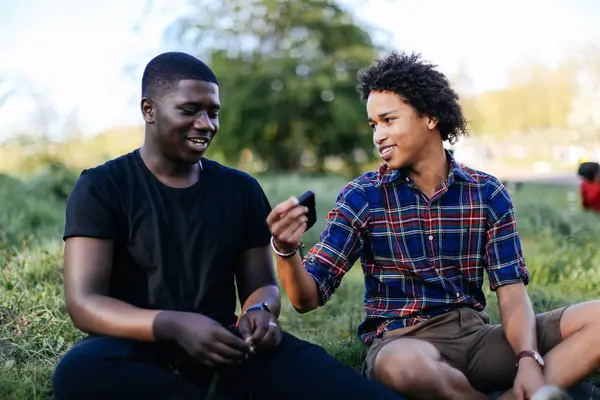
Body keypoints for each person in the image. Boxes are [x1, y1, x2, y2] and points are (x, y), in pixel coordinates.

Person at [51, 51, 404, 400]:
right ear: (149, 111)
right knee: (78, 373)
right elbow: (85, 303)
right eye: (189, 111)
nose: (206, 124)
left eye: (213, 112)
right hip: (134, 344)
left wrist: (258, 312)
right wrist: (173, 324)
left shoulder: (240, 189)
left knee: (328, 379)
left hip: (225, 343)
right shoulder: (101, 186)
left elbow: (263, 285)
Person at [267, 51, 600, 400]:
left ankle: (525, 389)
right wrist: (286, 251)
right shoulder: (362, 196)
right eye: (373, 125)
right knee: (404, 369)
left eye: (388, 120)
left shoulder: (487, 192)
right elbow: (306, 298)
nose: (378, 135)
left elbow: (512, 293)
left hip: (476, 337)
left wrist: (528, 358)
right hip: (403, 343)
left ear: (429, 116)